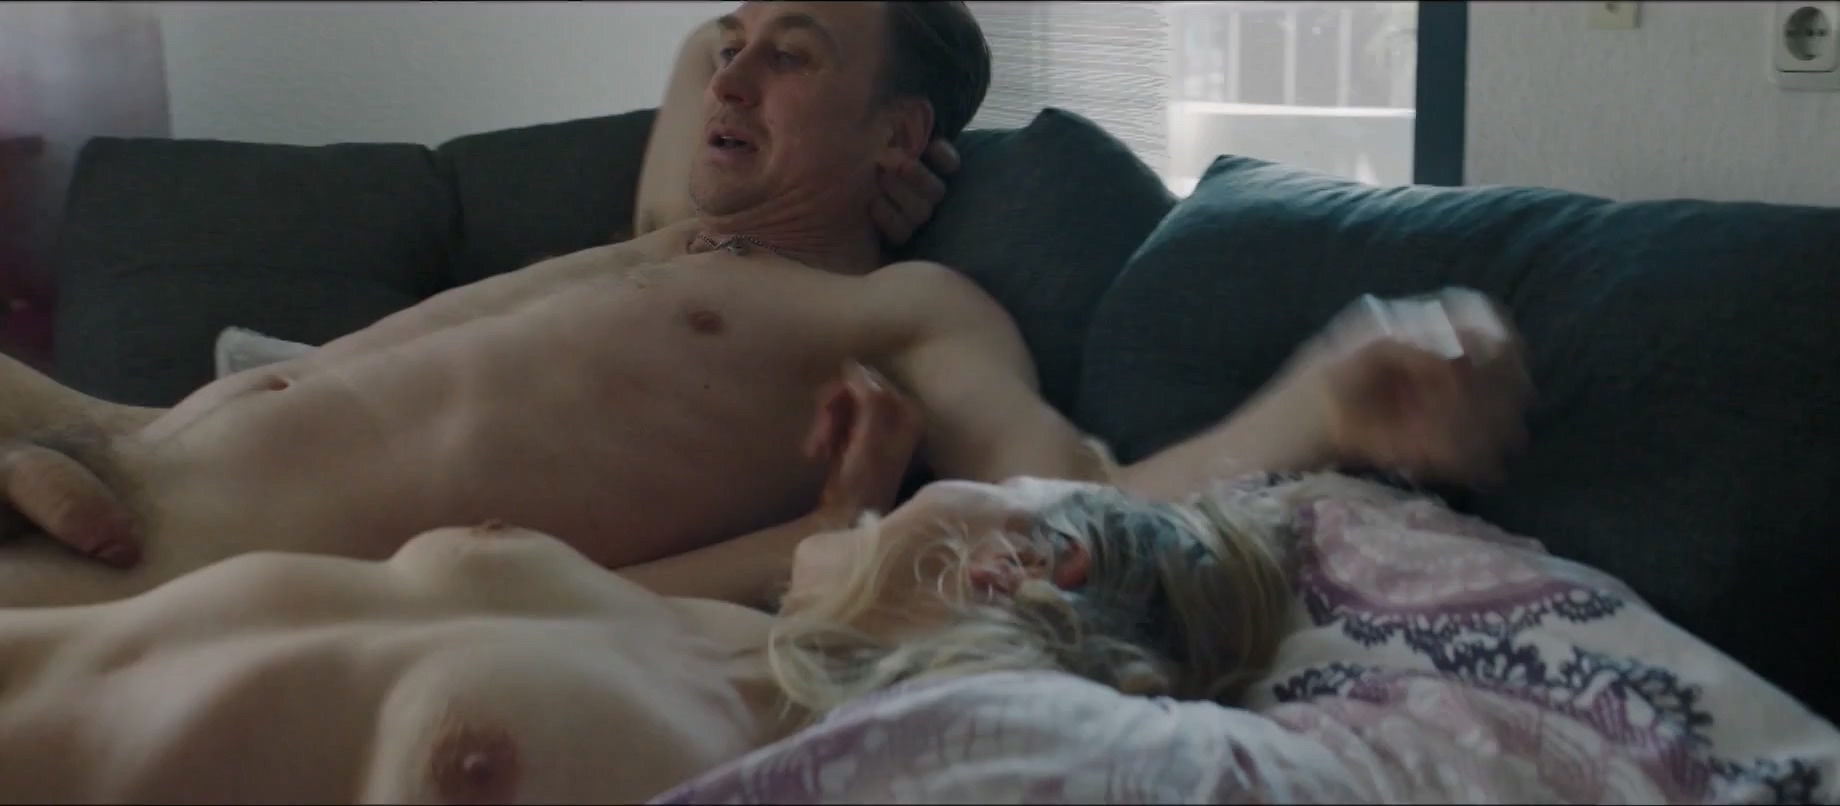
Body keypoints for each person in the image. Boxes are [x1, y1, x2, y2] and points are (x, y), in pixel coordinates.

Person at [0, 0, 1529, 608]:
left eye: (789, 54)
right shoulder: (671, 240)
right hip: (110, 433)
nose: (729, 71)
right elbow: (701, 61)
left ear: (901, 141)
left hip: (171, 568)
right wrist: (791, 88)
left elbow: (1073, 496)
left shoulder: (909, 306)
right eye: (731, 40)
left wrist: (1318, 401)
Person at [0, 374, 1306, 803]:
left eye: (974, 489)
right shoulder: (722, 639)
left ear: (1019, 563)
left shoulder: (751, 761)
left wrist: (1318, 406)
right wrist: (837, 523)